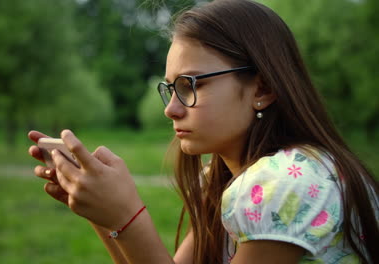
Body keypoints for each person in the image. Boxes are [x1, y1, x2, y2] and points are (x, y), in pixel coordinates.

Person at [28, 0, 378, 263]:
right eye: (170, 88)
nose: (171, 109)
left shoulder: (286, 185)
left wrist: (125, 215)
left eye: (190, 84)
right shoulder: (228, 178)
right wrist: (101, 213)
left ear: (262, 89)